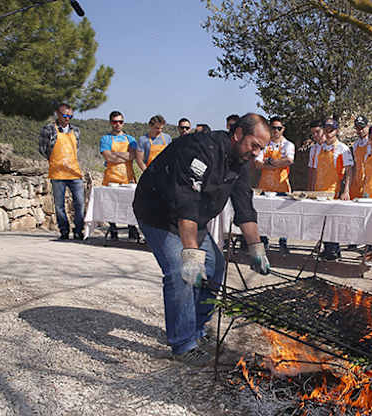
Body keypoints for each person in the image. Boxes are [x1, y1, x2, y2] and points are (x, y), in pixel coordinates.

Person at [132, 113, 272, 367]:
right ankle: (183, 344)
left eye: (261, 149)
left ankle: (196, 328)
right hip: (159, 215)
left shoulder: (240, 162)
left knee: (215, 267)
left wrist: (256, 247)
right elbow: (186, 203)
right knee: (180, 271)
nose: (256, 153)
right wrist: (191, 255)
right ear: (238, 133)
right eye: (254, 145)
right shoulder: (199, 150)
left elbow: (244, 206)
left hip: (194, 220)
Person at [38, 102, 85, 240]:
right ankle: (64, 231)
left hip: (74, 172)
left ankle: (78, 230)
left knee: (80, 202)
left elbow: (77, 148)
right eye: (65, 115)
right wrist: (54, 159)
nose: (67, 118)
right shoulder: (49, 129)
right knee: (59, 205)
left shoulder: (75, 131)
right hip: (57, 173)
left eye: (70, 116)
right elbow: (42, 148)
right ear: (57, 114)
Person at [253, 116, 294, 254]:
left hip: (282, 187)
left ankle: (283, 243)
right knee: (262, 215)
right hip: (265, 186)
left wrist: (269, 163)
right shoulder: (264, 144)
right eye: (273, 128)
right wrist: (276, 163)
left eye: (279, 128)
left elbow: (288, 160)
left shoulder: (288, 145)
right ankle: (264, 242)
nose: (276, 131)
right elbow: (257, 164)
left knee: (283, 217)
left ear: (283, 129)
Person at [314, 118, 352, 260]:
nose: (329, 133)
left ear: (337, 131)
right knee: (321, 221)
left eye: (332, 130)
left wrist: (346, 190)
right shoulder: (320, 147)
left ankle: (333, 250)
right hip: (319, 190)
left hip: (332, 191)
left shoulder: (343, 149)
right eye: (327, 129)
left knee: (332, 221)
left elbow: (349, 171)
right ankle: (329, 248)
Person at [100, 110, 139, 240]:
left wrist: (115, 154)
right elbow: (107, 156)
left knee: (132, 204)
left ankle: (132, 228)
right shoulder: (105, 139)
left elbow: (133, 155)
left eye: (120, 122)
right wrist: (124, 156)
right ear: (111, 123)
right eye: (115, 122)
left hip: (128, 176)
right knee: (110, 204)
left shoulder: (131, 139)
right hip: (111, 176)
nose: (118, 124)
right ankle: (113, 229)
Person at [350, 115, 369, 200]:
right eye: (358, 128)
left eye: (362, 127)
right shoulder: (355, 144)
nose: (360, 130)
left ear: (367, 127)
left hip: (369, 183)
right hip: (357, 183)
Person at [307, 119, 324, 192]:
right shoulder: (313, 149)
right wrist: (309, 189)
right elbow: (311, 170)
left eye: (317, 132)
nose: (315, 135)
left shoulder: (335, 147)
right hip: (315, 189)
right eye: (313, 133)